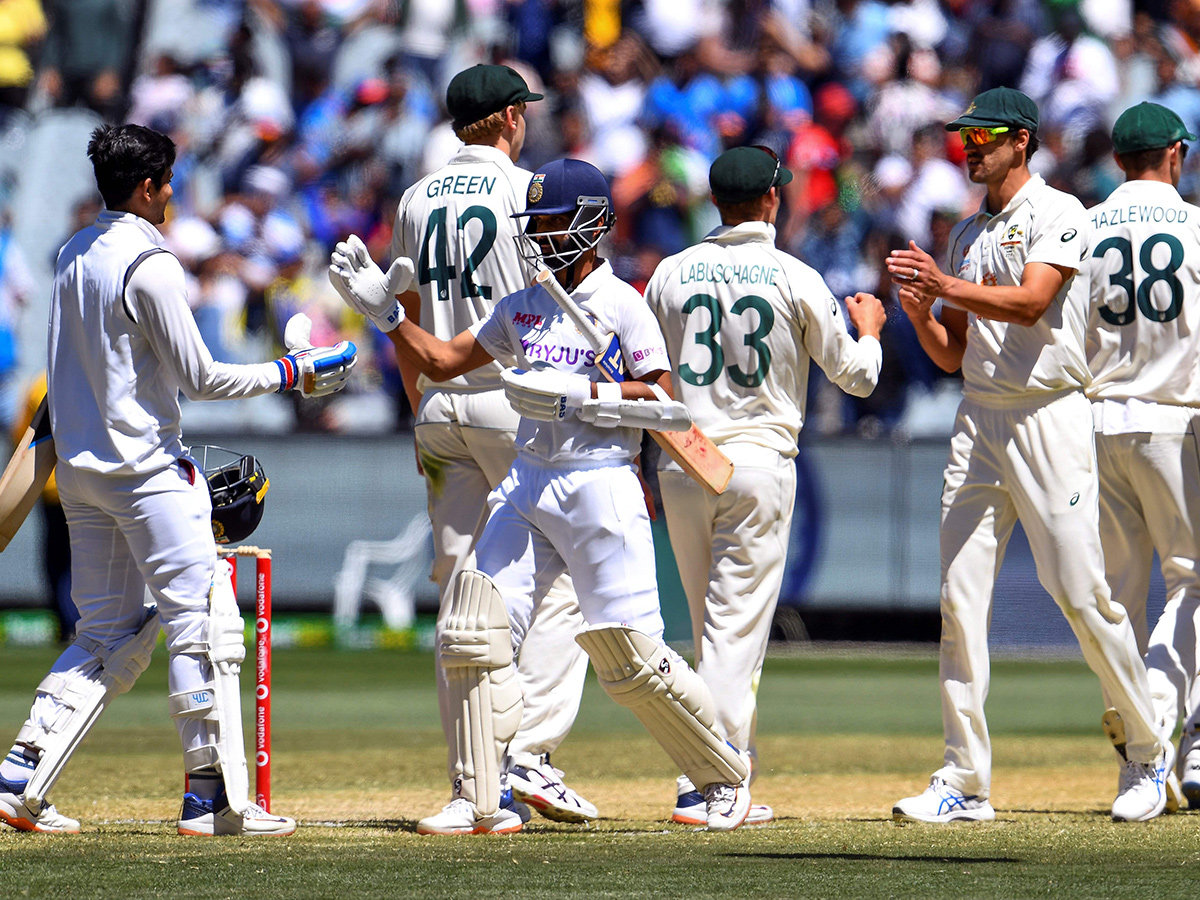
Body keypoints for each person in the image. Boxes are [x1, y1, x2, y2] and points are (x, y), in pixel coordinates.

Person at [331, 158, 756, 833]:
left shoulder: (623, 304)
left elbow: (664, 402)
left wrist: (585, 396)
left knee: (634, 657)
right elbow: (442, 363)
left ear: (595, 225)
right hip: (528, 480)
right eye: (539, 224)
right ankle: (481, 797)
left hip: (601, 486)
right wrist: (385, 314)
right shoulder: (524, 303)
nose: (546, 236)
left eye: (559, 222)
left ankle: (723, 777)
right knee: (473, 629)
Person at [0, 124, 356, 835]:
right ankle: (212, 801)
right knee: (206, 625)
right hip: (148, 472)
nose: (174, 194)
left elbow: (68, 378)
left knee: (105, 634)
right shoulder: (151, 263)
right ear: (145, 187)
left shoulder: (73, 251)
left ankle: (18, 778)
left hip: (83, 475)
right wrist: (295, 372)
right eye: (168, 183)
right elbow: (202, 377)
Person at [887, 87, 1170, 823]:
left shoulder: (1060, 213)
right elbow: (952, 354)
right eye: (965, 139)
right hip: (980, 419)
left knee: (1082, 594)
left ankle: (1146, 752)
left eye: (982, 137)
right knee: (958, 598)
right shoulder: (967, 234)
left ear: (1021, 139)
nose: (969, 148)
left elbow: (1033, 301)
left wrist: (945, 286)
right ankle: (964, 779)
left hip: (1051, 417)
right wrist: (923, 314)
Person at [643, 145, 886, 825]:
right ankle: (712, 783)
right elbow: (857, 377)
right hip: (756, 462)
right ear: (773, 199)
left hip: (686, 459)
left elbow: (647, 369)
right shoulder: (794, 274)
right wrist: (869, 330)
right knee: (732, 635)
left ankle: (717, 773)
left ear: (715, 202)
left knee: (709, 632)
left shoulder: (669, 273)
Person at [385, 64, 595, 825]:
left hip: (441, 403)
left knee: (460, 596)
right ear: (509, 118)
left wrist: (420, 408)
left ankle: (474, 786)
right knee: (563, 575)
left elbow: (401, 315)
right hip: (519, 401)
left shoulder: (414, 198)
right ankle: (526, 756)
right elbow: (563, 305)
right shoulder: (526, 192)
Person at [1085, 102, 1200, 809]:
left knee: (1118, 600)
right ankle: (1159, 742)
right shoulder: (1196, 226)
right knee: (1192, 583)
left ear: (1119, 160)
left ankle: (1146, 753)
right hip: (1175, 421)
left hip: (1096, 422)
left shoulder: (1085, 226)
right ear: (1176, 156)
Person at [12, 372, 77, 642]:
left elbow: (21, 435)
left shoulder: (39, 384)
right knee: (83, 556)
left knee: (57, 559)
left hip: (49, 484)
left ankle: (67, 623)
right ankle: (83, 622)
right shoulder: (85, 376)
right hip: (83, 481)